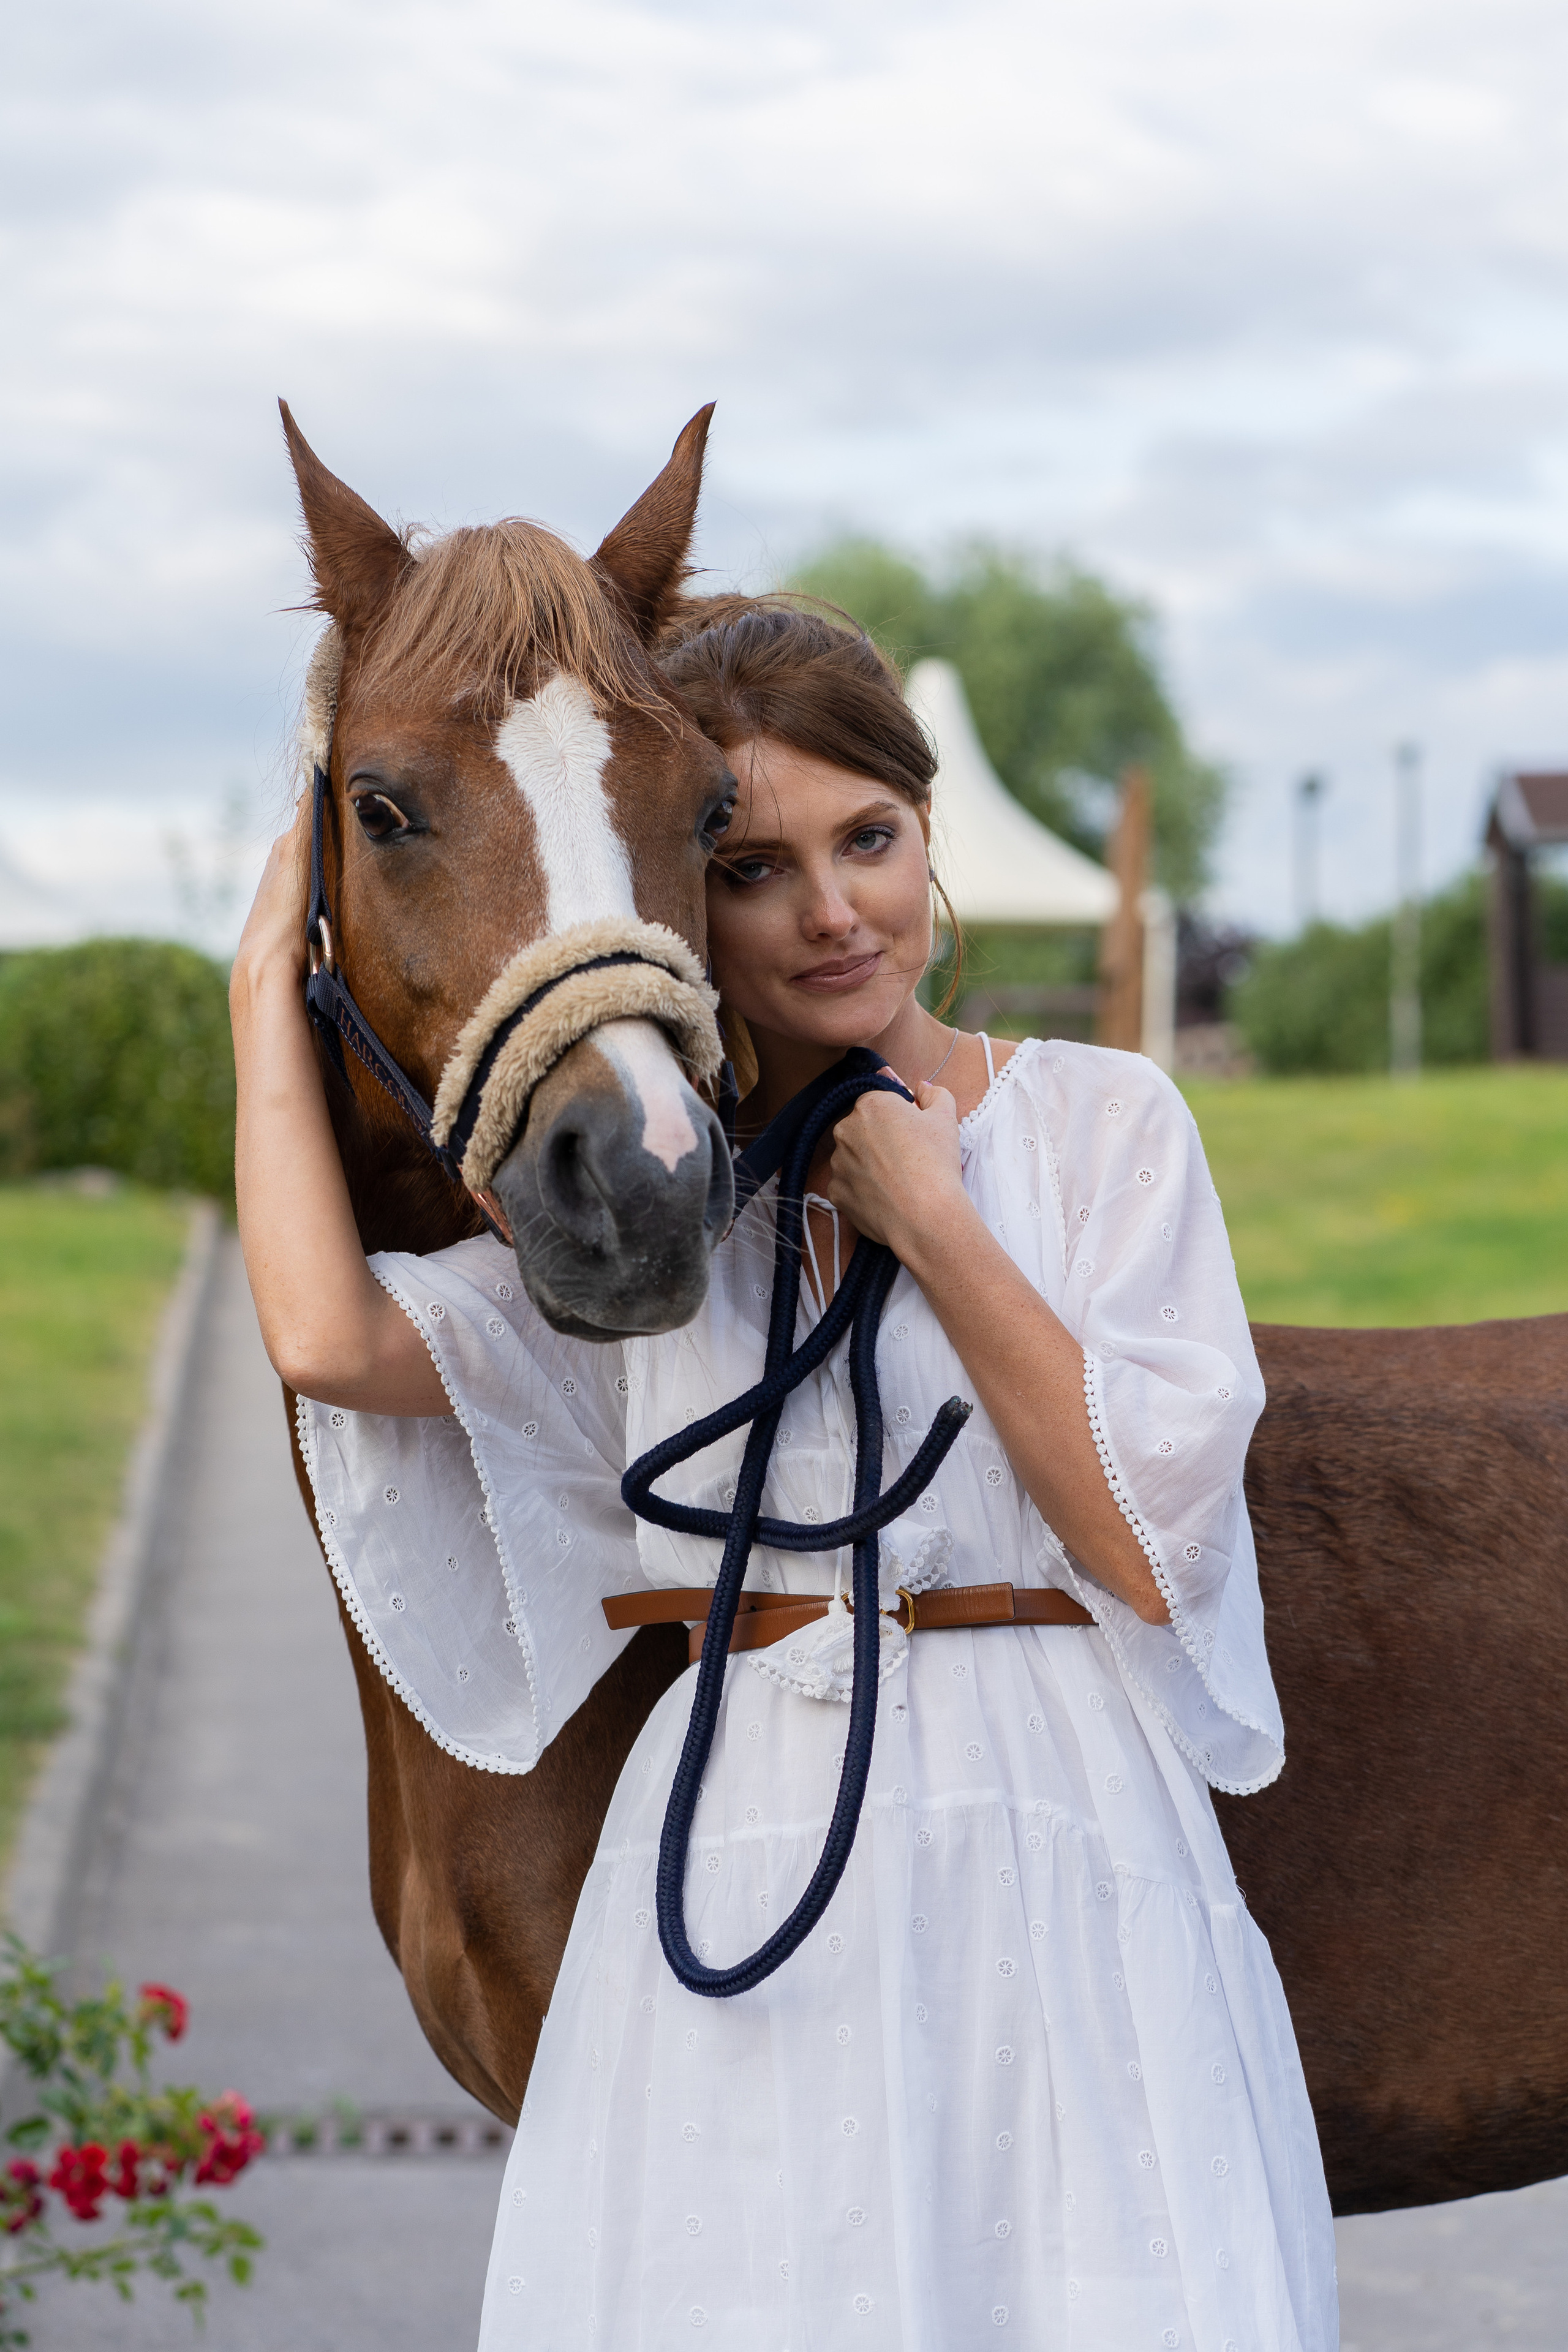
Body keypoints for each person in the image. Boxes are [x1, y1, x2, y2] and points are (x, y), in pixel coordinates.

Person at [232, 600, 1337, 2350]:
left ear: (924, 840)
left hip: (1057, 1839)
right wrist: (257, 996)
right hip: (756, 1850)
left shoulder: (1107, 1129)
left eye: (873, 841)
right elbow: (327, 1338)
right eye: (757, 868)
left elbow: (1140, 1542)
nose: (834, 912)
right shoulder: (674, 1237)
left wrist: (934, 1222)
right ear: (677, 897)